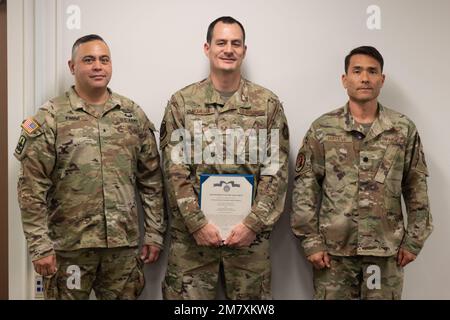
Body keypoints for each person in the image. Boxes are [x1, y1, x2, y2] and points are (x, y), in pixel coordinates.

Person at [14, 34, 165, 299]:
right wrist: (40, 247)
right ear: (72, 67)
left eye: (104, 60)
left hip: (122, 248)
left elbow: (151, 181)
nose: (98, 66)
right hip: (69, 249)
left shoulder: (132, 115)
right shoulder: (51, 118)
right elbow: (31, 189)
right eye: (89, 60)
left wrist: (154, 233)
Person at [160, 16, 289, 299]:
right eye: (221, 42)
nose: (228, 49)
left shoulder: (267, 104)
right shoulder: (182, 103)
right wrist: (197, 223)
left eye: (235, 43)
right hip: (192, 243)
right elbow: (174, 170)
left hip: (249, 244)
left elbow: (275, 171)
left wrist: (253, 224)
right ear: (207, 48)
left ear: (244, 50)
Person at [291, 46, 433, 299]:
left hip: (385, 253)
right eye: (357, 71)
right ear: (344, 79)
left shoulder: (402, 129)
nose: (365, 78)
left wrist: (414, 241)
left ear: (382, 79)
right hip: (334, 254)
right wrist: (310, 241)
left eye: (372, 71)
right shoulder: (323, 128)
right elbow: (305, 189)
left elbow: (416, 188)